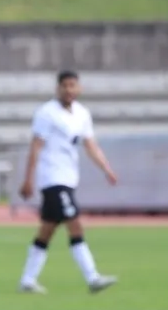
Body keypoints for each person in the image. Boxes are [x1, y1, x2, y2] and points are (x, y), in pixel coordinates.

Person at [17, 70, 118, 294]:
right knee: (74, 223)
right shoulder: (46, 113)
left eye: (73, 85)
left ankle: (27, 279)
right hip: (53, 178)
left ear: (79, 88)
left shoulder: (82, 114)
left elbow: (90, 145)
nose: (70, 90)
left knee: (47, 230)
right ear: (58, 88)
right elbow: (36, 146)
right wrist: (28, 179)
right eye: (65, 85)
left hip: (69, 178)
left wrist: (107, 169)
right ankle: (93, 278)